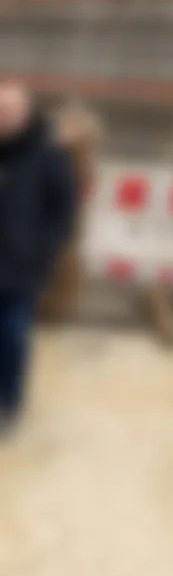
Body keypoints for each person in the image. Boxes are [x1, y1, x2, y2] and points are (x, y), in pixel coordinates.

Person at [0, 81, 78, 438]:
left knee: (13, 338)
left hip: (21, 268)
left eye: (9, 111)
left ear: (25, 114)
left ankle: (10, 406)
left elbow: (63, 207)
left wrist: (44, 247)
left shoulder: (47, 155)